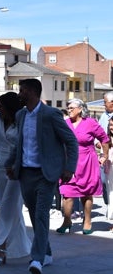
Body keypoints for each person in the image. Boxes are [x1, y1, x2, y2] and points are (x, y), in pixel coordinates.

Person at [5, 79, 78, 274]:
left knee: (41, 214)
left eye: (22, 90)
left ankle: (36, 258)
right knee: (34, 215)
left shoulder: (51, 114)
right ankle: (46, 252)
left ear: (31, 92)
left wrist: (69, 167)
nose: (19, 94)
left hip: (47, 174)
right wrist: (10, 163)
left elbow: (71, 141)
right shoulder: (20, 115)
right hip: (26, 173)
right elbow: (18, 144)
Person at [0, 92, 31, 266]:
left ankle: (0, 248)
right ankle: (25, 247)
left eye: (1, 106)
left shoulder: (22, 121)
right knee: (13, 209)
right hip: (1, 169)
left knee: (7, 208)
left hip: (17, 170)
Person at [58, 98, 109, 235]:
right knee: (67, 193)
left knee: (86, 193)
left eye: (71, 108)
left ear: (80, 109)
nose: (69, 110)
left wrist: (104, 155)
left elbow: (104, 139)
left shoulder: (91, 123)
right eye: (68, 108)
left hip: (87, 161)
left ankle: (87, 221)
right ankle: (67, 220)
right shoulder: (65, 123)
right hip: (69, 163)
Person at [105, 116, 113, 226]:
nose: (112, 127)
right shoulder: (107, 139)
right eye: (110, 125)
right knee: (111, 194)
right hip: (110, 169)